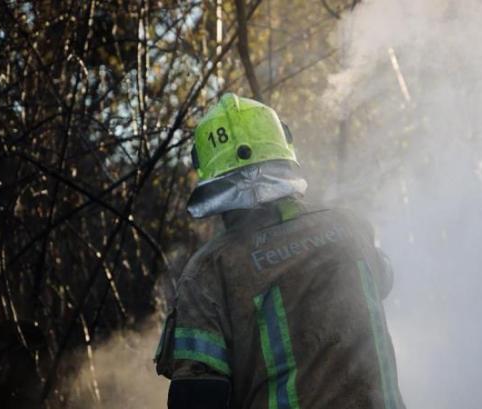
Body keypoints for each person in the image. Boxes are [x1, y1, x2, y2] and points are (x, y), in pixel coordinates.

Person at [154, 93, 405, 409]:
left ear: (209, 176)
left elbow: (198, 398)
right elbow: (384, 280)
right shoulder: (352, 227)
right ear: (284, 149)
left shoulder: (210, 272)